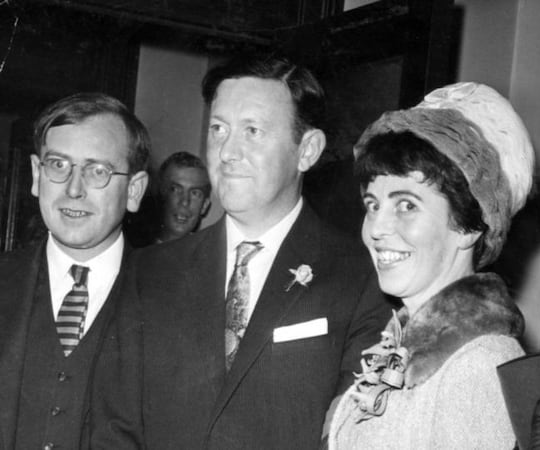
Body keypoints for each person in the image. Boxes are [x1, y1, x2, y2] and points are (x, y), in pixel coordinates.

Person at [90, 53, 393, 449]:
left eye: (252, 130)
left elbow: (352, 435)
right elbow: (115, 427)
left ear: (307, 150)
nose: (227, 152)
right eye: (218, 129)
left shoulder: (362, 277)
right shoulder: (150, 271)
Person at [327, 82, 535, 449]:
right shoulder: (402, 348)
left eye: (406, 205)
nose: (376, 228)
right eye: (373, 205)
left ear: (468, 226)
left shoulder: (479, 367)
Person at [0, 92, 149, 449]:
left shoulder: (170, 303)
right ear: (37, 175)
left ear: (134, 190)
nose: (73, 189)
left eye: (97, 171)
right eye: (58, 165)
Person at [154, 151, 211, 243]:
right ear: (161, 194)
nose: (185, 202)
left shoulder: (209, 255)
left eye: (195, 193)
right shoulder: (133, 252)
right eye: (175, 189)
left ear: (204, 205)